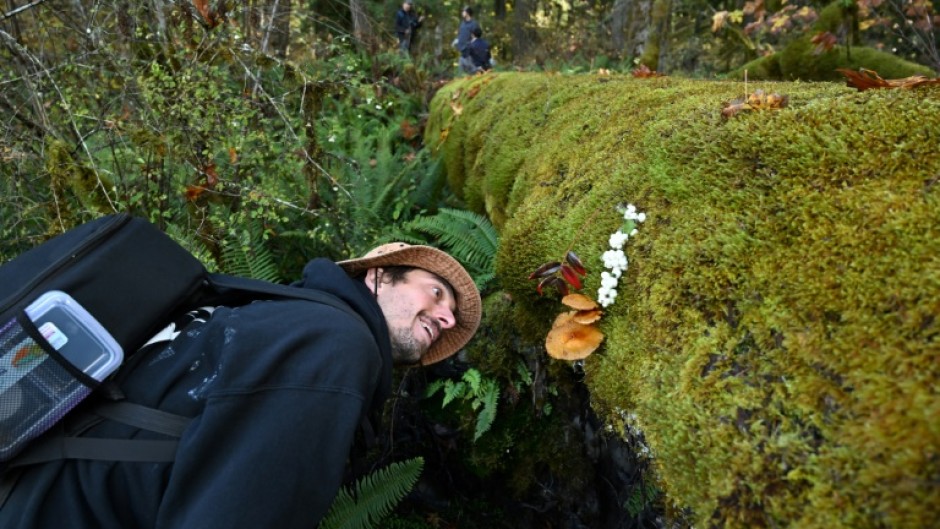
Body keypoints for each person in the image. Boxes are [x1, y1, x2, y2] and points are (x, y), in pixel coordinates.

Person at [0, 242, 482, 529]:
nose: (444, 316)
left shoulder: (268, 310)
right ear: (379, 275)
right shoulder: (336, 347)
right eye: (436, 292)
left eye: (451, 317)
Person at [454, 6, 481, 74]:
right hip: (462, 51)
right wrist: (457, 40)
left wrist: (469, 46)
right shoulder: (463, 23)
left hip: (469, 52)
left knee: (473, 72)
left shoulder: (474, 24)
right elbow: (461, 34)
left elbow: (476, 38)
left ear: (468, 13)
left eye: (464, 11)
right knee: (460, 73)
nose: (462, 13)